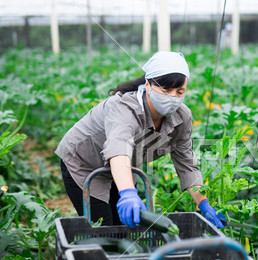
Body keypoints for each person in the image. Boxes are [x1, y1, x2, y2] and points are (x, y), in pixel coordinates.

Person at [55, 51, 226, 229]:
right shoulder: (124, 108)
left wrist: (203, 203)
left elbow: (186, 163)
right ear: (148, 85)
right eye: (166, 90)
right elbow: (119, 150)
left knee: (126, 226)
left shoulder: (182, 117)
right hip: (83, 163)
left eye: (179, 91)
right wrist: (128, 193)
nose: (172, 97)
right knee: (102, 228)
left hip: (122, 169)